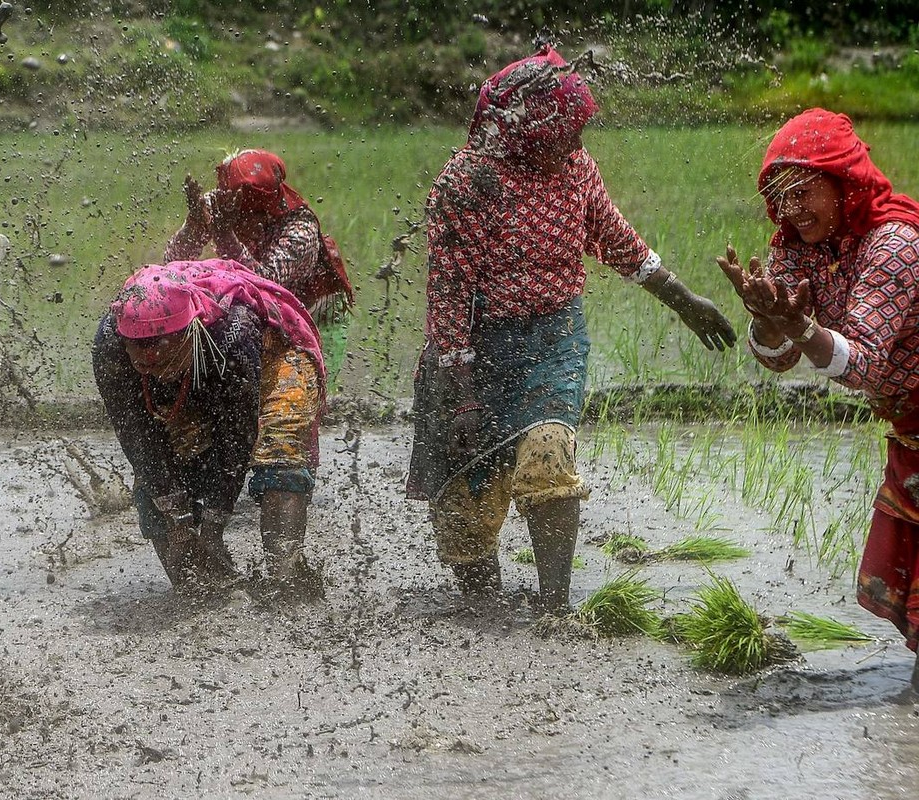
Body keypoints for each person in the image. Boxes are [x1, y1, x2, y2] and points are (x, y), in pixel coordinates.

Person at [407, 47, 736, 612]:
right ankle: (481, 606)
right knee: (467, 495)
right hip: (471, 350)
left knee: (547, 455)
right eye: (567, 132)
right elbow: (449, 292)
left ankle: (554, 608)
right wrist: (460, 397)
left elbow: (616, 238)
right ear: (530, 131)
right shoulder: (467, 183)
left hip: (552, 340)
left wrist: (684, 300)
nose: (578, 144)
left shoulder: (574, 167)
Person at [716, 108, 919, 694]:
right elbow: (775, 358)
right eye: (780, 198)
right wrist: (768, 320)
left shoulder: (894, 242)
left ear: (844, 185)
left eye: (805, 194)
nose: (792, 210)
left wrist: (799, 328)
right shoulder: (797, 248)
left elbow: (865, 363)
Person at [92, 258, 326, 598]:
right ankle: (199, 587)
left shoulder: (233, 332)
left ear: (191, 331)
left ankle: (286, 578)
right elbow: (138, 439)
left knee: (279, 451)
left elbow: (237, 438)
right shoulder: (111, 346)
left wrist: (213, 527)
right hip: (195, 377)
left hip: (273, 355)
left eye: (160, 352)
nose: (149, 361)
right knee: (157, 478)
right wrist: (180, 525)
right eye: (139, 353)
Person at [164, 149, 354, 318]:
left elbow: (265, 284)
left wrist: (225, 236)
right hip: (261, 310)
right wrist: (194, 226)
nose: (240, 221)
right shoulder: (223, 204)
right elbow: (171, 265)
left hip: (314, 311)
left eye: (247, 214)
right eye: (236, 215)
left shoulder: (301, 230)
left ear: (268, 211)